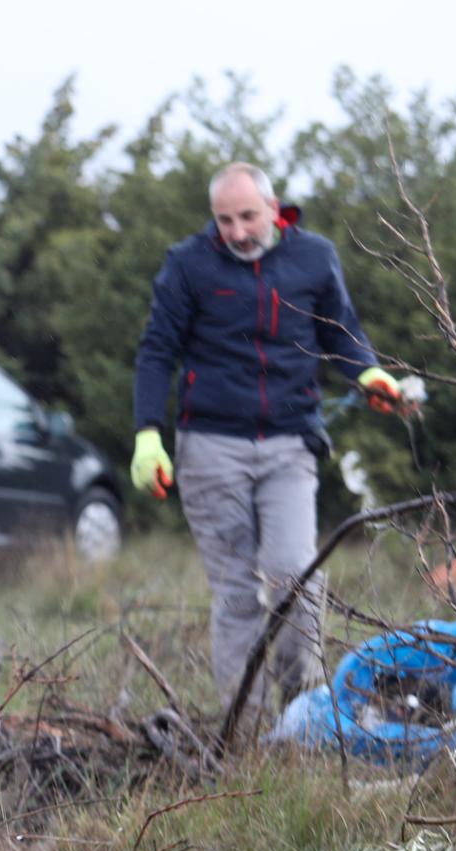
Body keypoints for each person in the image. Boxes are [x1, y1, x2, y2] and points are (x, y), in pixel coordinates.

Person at [131, 161, 404, 719]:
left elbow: (342, 332)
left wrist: (368, 372)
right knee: (236, 592)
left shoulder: (314, 258)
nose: (237, 232)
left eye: (248, 217)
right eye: (225, 220)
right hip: (210, 446)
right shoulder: (188, 264)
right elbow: (157, 350)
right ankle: (244, 729)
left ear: (274, 210)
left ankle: (303, 717)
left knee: (294, 577)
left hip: (289, 444)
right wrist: (147, 436)